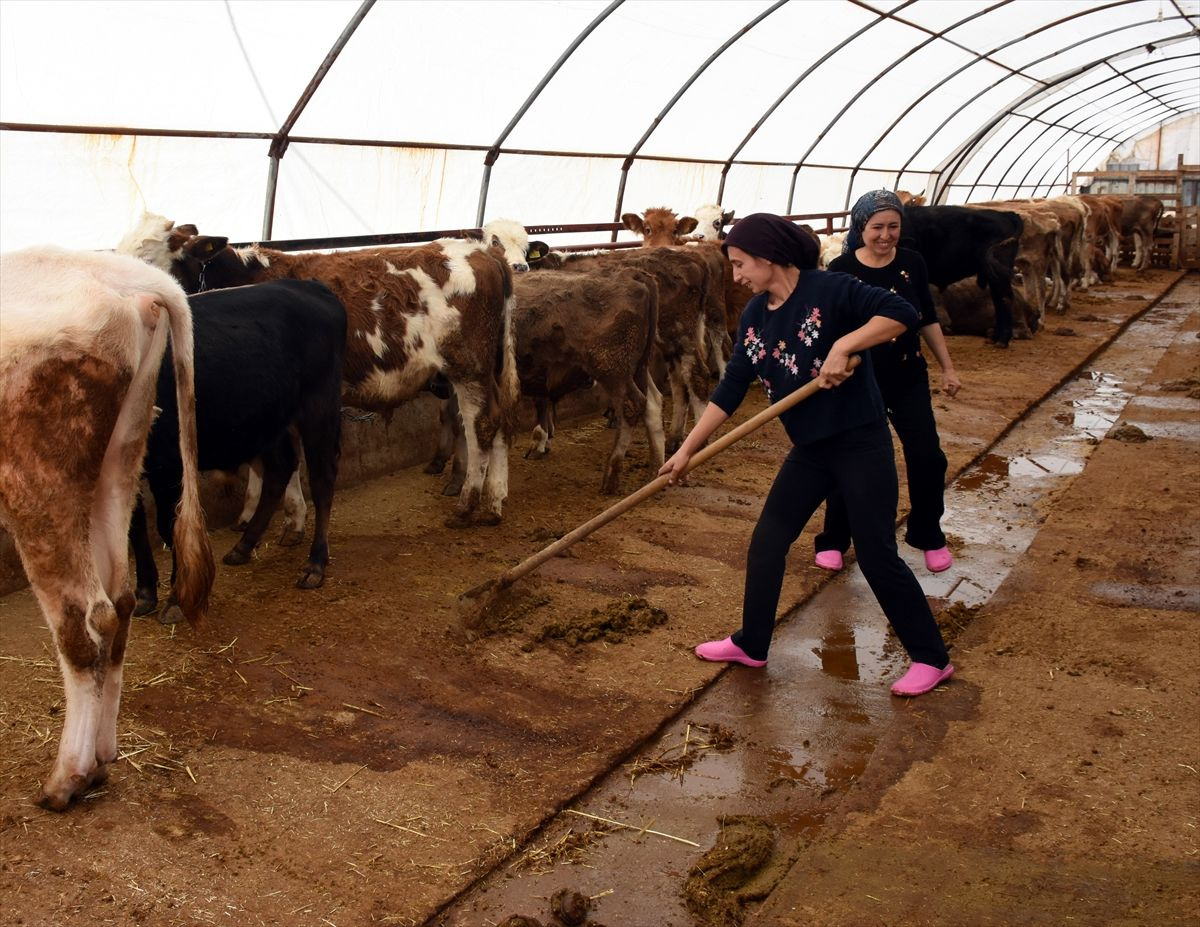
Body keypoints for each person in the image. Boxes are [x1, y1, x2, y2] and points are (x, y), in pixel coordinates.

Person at [657, 212, 954, 697]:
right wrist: (688, 449)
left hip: (860, 442)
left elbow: (902, 312)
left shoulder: (832, 289)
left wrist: (845, 344)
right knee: (767, 543)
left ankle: (931, 658)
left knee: (877, 554)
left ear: (768, 256)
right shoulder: (756, 314)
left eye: (739, 264)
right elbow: (731, 388)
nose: (735, 276)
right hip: (811, 450)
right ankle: (752, 643)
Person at [815, 189, 962, 575]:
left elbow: (926, 317)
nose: (885, 235)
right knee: (850, 460)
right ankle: (834, 539)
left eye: (893, 226)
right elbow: (830, 330)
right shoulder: (842, 268)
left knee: (928, 456)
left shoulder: (912, 263)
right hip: (858, 382)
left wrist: (947, 367)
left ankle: (928, 534)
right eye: (877, 226)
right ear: (861, 227)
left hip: (907, 375)